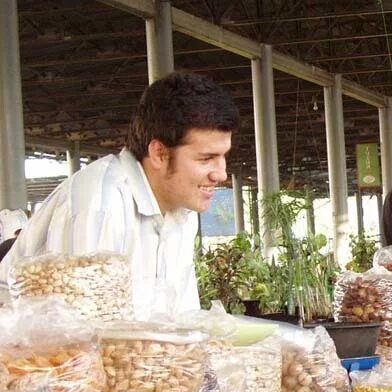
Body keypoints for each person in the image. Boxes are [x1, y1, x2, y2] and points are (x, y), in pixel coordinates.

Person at [0, 71, 239, 317]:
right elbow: (80, 336)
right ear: (159, 153)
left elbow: (182, 320)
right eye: (206, 158)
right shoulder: (100, 204)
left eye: (224, 156)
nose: (221, 174)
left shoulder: (182, 214)